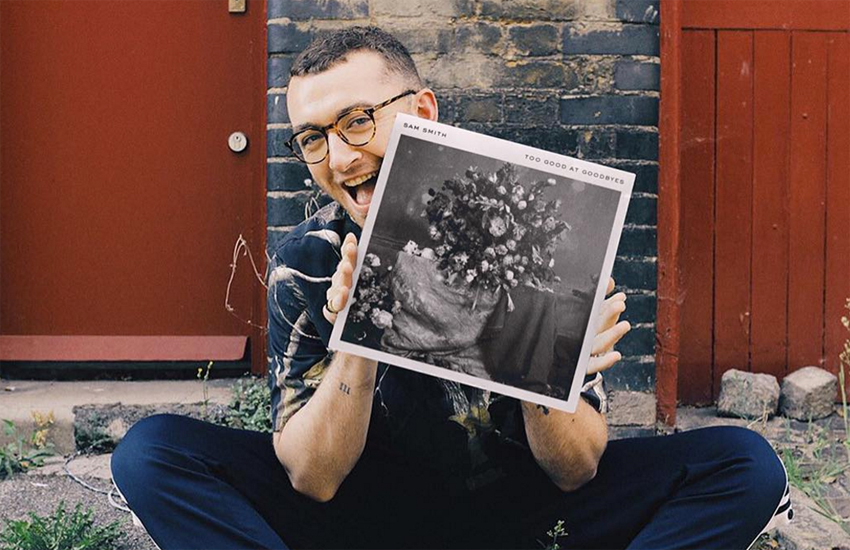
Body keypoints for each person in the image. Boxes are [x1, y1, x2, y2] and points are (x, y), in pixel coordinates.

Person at [112, 26, 792, 550]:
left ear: (424, 112)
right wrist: (359, 337)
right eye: (312, 139)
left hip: (522, 513)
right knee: (152, 455)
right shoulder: (309, 261)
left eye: (357, 120)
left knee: (744, 466)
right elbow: (312, 478)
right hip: (363, 518)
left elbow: (577, 470)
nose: (339, 157)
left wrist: (539, 359)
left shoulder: (536, 237)